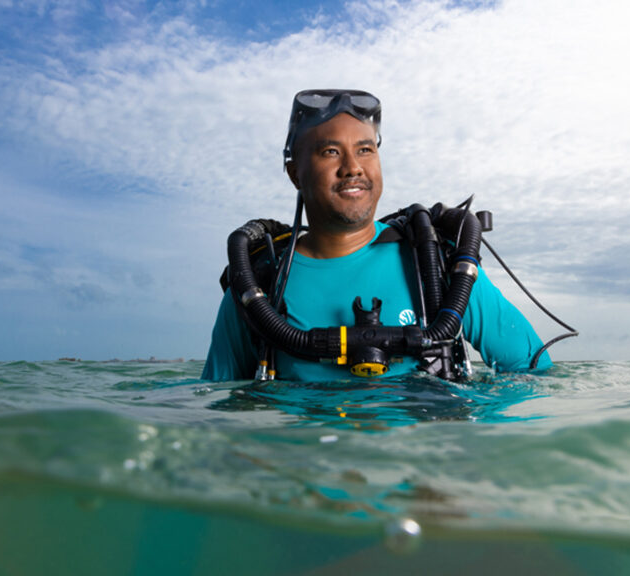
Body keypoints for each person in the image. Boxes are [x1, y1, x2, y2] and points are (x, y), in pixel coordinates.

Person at [203, 89, 552, 382]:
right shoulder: (257, 284)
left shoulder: (437, 263)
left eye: (365, 150)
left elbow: (535, 376)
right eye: (330, 151)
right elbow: (218, 411)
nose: (353, 166)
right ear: (296, 173)